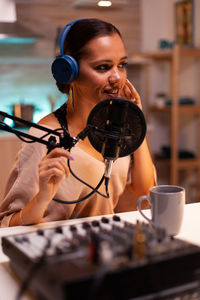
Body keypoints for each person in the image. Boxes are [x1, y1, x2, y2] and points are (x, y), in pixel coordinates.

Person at [0, 18, 156, 227]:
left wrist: (135, 119)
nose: (117, 77)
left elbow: (144, 194)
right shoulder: (43, 137)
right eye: (103, 67)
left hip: (102, 252)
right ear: (68, 71)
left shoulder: (115, 128)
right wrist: (42, 198)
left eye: (122, 65)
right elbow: (6, 225)